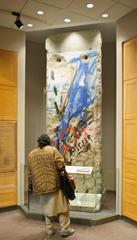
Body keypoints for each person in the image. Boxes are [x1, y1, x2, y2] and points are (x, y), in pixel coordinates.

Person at [28, 133, 75, 237]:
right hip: (55, 185)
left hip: (40, 187)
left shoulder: (31, 153)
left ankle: (49, 229)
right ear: (48, 141)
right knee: (63, 208)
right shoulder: (52, 150)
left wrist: (32, 184)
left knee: (47, 208)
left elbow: (30, 172)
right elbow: (61, 165)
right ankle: (65, 229)